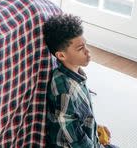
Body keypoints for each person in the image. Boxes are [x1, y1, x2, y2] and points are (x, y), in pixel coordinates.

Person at [43, 14, 119, 148]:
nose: (88, 52)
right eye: (80, 49)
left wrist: (95, 128)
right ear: (61, 55)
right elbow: (73, 135)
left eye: (86, 45)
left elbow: (81, 115)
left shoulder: (76, 75)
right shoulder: (64, 91)